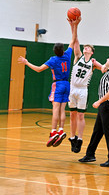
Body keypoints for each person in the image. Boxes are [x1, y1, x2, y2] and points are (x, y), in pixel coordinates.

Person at [18, 17, 81, 148]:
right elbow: (73, 40)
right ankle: (61, 130)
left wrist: (26, 62)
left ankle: (53, 132)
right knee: (63, 109)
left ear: (54, 51)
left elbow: (39, 69)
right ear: (63, 50)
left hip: (57, 85)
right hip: (66, 84)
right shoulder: (68, 54)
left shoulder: (53, 60)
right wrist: (75, 25)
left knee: (55, 109)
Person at [67, 20, 106, 153]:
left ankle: (80, 139)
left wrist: (98, 63)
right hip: (72, 88)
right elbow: (75, 40)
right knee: (72, 115)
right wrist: (74, 26)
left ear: (92, 52)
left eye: (88, 48)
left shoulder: (93, 63)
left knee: (80, 116)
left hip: (83, 90)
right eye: (85, 47)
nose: (85, 48)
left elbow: (105, 69)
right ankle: (72, 138)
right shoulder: (78, 56)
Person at [79, 53, 109, 167]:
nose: (106, 59)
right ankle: (90, 155)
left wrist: (99, 101)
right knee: (97, 131)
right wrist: (95, 63)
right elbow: (102, 67)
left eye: (108, 58)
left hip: (108, 105)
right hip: (105, 106)